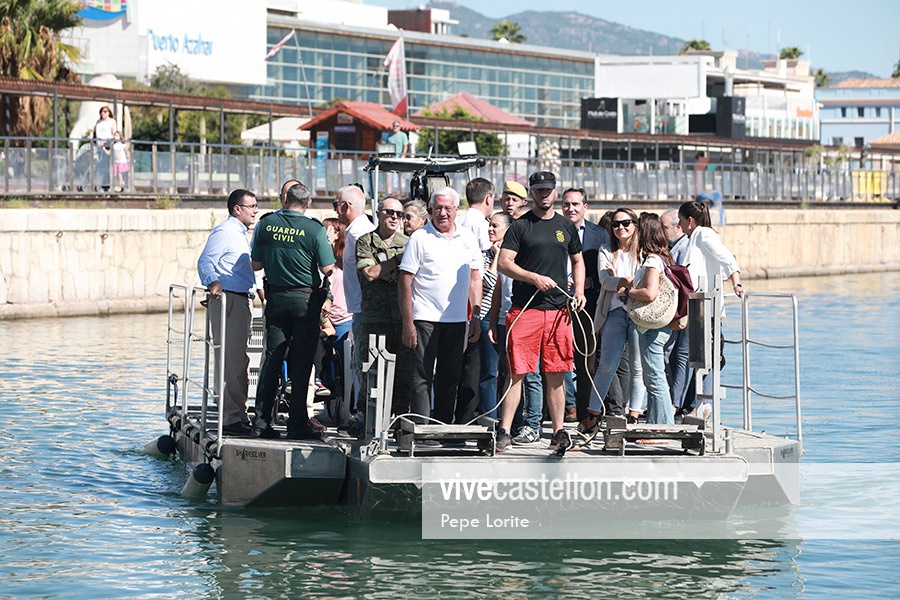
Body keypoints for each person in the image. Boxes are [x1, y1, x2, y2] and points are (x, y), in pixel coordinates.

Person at [495, 171, 585, 452]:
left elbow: (578, 260)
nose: (544, 194)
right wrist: (533, 277)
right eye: (539, 190)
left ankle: (558, 431)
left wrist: (579, 291)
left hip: (558, 311)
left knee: (557, 373)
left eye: (548, 190)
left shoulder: (565, 226)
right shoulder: (520, 226)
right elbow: (504, 263)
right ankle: (504, 430)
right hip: (526, 310)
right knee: (517, 372)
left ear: (555, 192)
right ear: (531, 193)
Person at [251, 182, 335, 440]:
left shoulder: (265, 224)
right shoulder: (315, 229)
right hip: (305, 303)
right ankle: (297, 424)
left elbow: (256, 265)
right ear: (308, 203)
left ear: (285, 199)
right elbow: (328, 269)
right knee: (302, 363)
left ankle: (261, 423)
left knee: (272, 360)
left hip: (276, 300)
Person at [399, 187, 482, 425]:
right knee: (422, 376)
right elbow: (405, 281)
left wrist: (475, 317)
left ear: (456, 209)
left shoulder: (468, 237)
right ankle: (421, 427)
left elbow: (475, 278)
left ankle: (442, 426)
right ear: (431, 210)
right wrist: (408, 323)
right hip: (425, 318)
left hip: (457, 320)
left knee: (450, 377)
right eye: (438, 208)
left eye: (447, 208)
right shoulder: (419, 238)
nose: (442, 213)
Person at [196, 189, 259, 436]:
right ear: (237, 209)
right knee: (230, 359)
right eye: (251, 206)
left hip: (241, 299)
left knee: (239, 360)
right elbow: (205, 261)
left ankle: (238, 413)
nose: (255, 211)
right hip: (229, 298)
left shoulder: (240, 233)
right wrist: (213, 283)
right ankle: (230, 417)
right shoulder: (225, 231)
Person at [581, 208, 646, 433]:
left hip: (638, 313)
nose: (620, 228)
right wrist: (630, 280)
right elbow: (604, 281)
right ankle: (593, 415)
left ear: (635, 225)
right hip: (614, 313)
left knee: (637, 367)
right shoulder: (606, 250)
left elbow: (646, 281)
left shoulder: (644, 252)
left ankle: (634, 416)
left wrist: (618, 279)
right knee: (606, 365)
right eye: (616, 224)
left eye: (626, 223)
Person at [678, 199, 744, 417]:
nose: (679, 225)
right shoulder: (695, 237)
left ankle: (704, 403)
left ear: (690, 220)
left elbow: (727, 258)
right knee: (702, 355)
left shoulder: (703, 234)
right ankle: (700, 403)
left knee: (708, 355)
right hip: (700, 304)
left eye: (681, 220)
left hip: (706, 306)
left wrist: (736, 283)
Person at [355, 197, 411, 421]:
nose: (395, 217)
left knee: (403, 374)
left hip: (403, 318)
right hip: (375, 318)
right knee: (372, 371)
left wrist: (384, 269)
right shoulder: (366, 241)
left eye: (400, 214)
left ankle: (399, 421)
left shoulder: (409, 242)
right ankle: (367, 421)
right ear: (378, 213)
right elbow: (370, 273)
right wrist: (398, 261)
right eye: (390, 212)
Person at [561, 187, 610, 422]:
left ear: (585, 207)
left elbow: (608, 271)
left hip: (587, 306)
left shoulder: (599, 235)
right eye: (566, 204)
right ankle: (553, 413)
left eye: (575, 204)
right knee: (555, 362)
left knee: (586, 364)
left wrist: (589, 282)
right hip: (555, 303)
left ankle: (584, 416)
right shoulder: (553, 229)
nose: (571, 209)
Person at [622, 213, 675, 425]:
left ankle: (662, 427)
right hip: (659, 325)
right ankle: (655, 425)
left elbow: (650, 293)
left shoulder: (653, 261)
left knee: (654, 377)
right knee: (653, 376)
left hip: (652, 327)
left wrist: (628, 292)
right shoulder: (664, 257)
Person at [454, 178, 495, 423]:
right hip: (477, 302)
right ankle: (469, 416)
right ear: (488, 198)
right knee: (475, 366)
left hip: (458, 302)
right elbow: (482, 273)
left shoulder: (459, 221)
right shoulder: (480, 225)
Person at [334, 185, 376, 414]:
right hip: (358, 309)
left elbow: (371, 272)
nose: (335, 210)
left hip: (365, 309)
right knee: (358, 364)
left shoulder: (361, 233)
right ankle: (363, 415)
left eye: (336, 205)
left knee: (361, 365)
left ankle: (363, 417)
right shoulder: (354, 231)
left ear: (345, 206)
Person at [479, 211, 512, 418]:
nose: (490, 229)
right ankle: (489, 418)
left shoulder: (516, 256)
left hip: (507, 316)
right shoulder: (483, 254)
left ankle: (507, 419)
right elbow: (488, 281)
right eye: (489, 225)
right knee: (489, 371)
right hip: (486, 317)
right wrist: (497, 256)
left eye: (495, 226)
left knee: (509, 372)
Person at [660, 209, 693, 415]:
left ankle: (675, 403)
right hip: (675, 309)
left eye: (664, 227)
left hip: (683, 309)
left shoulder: (685, 247)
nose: (662, 232)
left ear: (677, 227)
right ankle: (673, 401)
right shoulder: (673, 247)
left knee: (680, 354)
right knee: (669, 354)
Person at [92, 105, 117, 190]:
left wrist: (108, 140)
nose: (103, 113)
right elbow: (93, 131)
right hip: (99, 146)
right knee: (98, 166)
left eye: (105, 111)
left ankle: (105, 186)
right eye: (101, 112)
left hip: (107, 146)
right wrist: (91, 135)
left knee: (106, 167)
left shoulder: (112, 121)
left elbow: (114, 133)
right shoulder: (99, 122)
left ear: (108, 113)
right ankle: (96, 184)